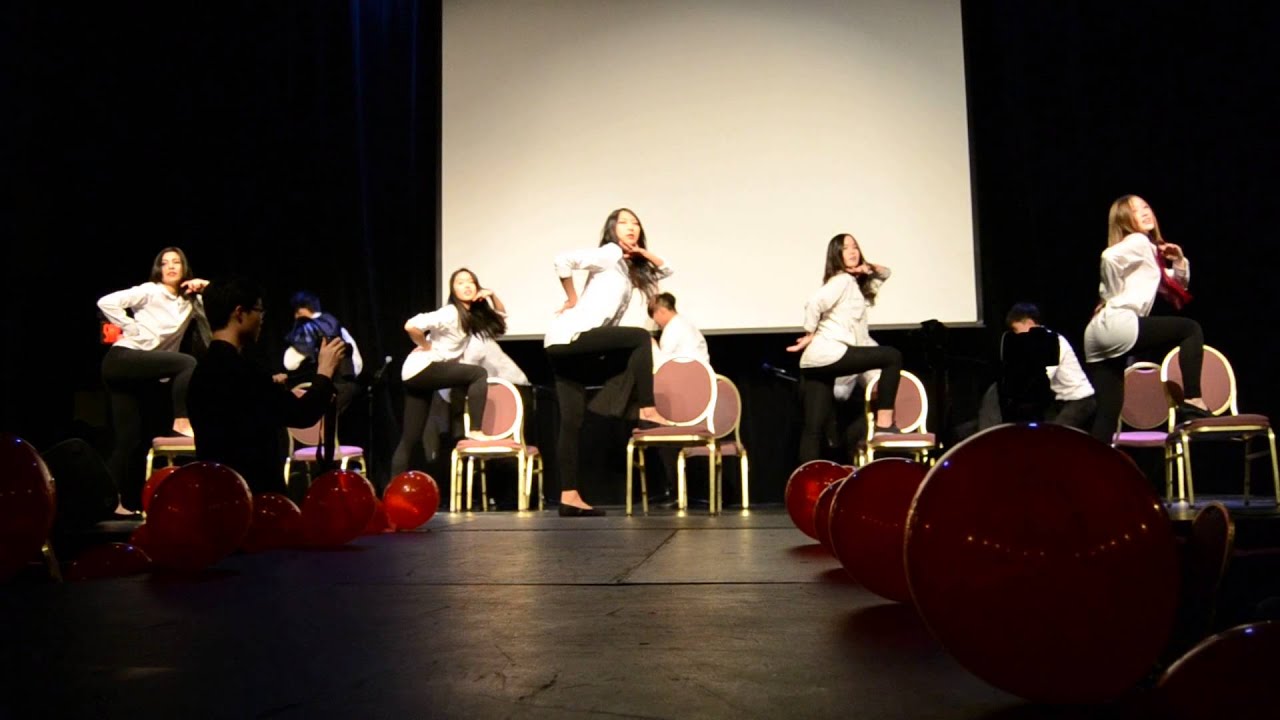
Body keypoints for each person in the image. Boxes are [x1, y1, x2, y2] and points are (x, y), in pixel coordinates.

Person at [544, 207, 675, 516]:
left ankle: (569, 496)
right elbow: (562, 260)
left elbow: (667, 270)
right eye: (624, 222)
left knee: (572, 422)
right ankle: (645, 407)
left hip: (564, 346)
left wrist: (643, 253)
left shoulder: (627, 267)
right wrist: (572, 298)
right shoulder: (608, 254)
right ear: (612, 229)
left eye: (635, 223)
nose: (631, 227)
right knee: (640, 339)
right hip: (572, 337)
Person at [187, 276, 346, 494]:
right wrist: (325, 371)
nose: (261, 319)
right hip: (254, 499)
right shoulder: (245, 372)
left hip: (215, 495)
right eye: (259, 310)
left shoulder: (200, 372)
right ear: (240, 313)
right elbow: (302, 414)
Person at [1084, 195, 1209, 444]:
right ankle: (1193, 400)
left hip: (1095, 334)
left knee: (1108, 413)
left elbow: (1172, 284)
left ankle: (1091, 463)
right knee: (1190, 329)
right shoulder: (1139, 241)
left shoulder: (1146, 252)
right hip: (1118, 322)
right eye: (1134, 210)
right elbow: (1108, 257)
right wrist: (1112, 295)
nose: (1144, 212)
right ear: (1124, 220)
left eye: (1146, 207)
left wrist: (1179, 260)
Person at [97, 247, 210, 511]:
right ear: (158, 269)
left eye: (176, 262)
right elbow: (105, 302)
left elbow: (215, 314)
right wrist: (131, 327)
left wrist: (206, 287)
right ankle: (181, 421)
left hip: (142, 371)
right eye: (164, 263)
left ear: (184, 268)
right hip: (123, 359)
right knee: (187, 363)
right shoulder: (150, 291)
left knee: (130, 441)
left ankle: (113, 503)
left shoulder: (189, 302)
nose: (170, 267)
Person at [788, 233, 903, 463]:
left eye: (855, 247)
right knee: (892, 356)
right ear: (836, 255)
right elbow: (814, 303)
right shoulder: (842, 281)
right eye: (845, 248)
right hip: (830, 354)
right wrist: (809, 332)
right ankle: (884, 425)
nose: (852, 251)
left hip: (815, 362)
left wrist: (866, 268)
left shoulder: (852, 284)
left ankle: (806, 481)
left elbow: (885, 273)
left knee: (813, 428)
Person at [391, 268, 501, 476]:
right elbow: (410, 325)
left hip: (415, 373)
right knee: (478, 374)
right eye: (460, 282)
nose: (467, 286)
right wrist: (424, 345)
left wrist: (492, 295)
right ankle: (475, 430)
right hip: (423, 368)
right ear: (453, 290)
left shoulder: (470, 316)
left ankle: (391, 490)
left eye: (471, 282)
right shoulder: (450, 312)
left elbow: (500, 319)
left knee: (410, 438)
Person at [977, 303, 1096, 431]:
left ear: (1029, 323)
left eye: (1017, 329)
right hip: (1060, 402)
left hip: (1079, 402)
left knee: (1052, 436)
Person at [283, 290, 363, 414]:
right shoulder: (332, 322)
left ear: (301, 310)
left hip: (333, 387)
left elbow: (290, 363)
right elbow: (357, 362)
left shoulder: (309, 328)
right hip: (349, 383)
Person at [648, 292, 710, 365]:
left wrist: (653, 345)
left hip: (685, 370)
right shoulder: (687, 324)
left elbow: (661, 364)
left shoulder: (671, 329)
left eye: (654, 317)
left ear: (662, 311)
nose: (656, 322)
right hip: (702, 370)